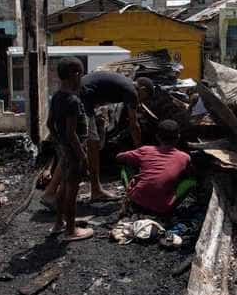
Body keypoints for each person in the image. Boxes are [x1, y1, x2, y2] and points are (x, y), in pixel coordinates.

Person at [41, 73, 154, 207]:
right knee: (73, 150)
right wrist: (139, 150)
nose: (140, 102)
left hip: (80, 100)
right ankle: (49, 193)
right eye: (143, 98)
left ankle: (96, 190)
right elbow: (134, 125)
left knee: (93, 145)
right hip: (79, 102)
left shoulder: (124, 85)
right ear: (142, 89)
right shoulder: (131, 91)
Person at [46, 57, 93, 241]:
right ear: (74, 75)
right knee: (72, 191)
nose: (81, 78)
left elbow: (50, 124)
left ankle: (59, 224)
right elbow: (72, 133)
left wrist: (60, 145)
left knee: (63, 186)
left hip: (63, 150)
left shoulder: (57, 97)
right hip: (73, 151)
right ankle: (71, 230)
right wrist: (82, 157)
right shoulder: (73, 101)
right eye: (80, 74)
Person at [116, 119, 192, 216]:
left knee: (125, 166)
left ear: (157, 137)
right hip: (162, 208)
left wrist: (137, 157)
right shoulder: (185, 157)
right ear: (178, 137)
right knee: (190, 182)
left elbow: (119, 157)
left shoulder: (145, 150)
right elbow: (188, 175)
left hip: (136, 202)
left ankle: (129, 194)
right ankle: (170, 207)